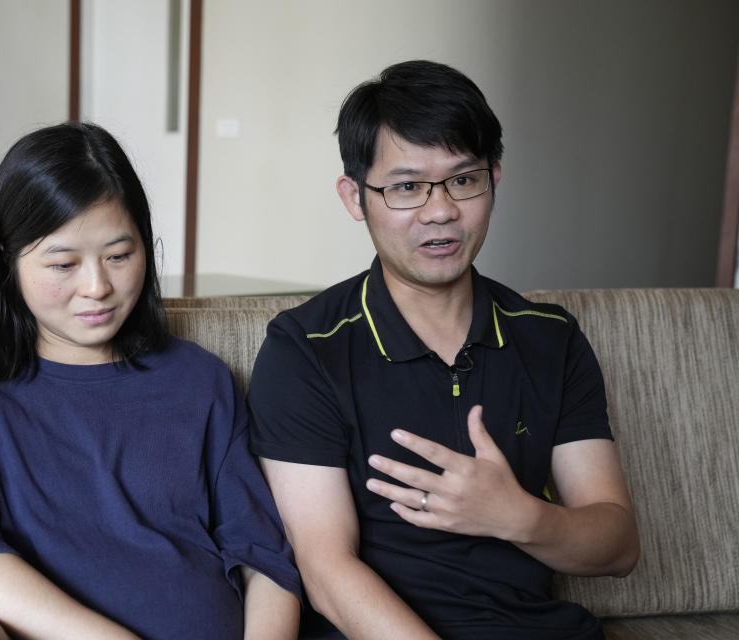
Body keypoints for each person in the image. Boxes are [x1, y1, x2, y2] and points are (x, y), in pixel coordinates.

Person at [248, 60, 639, 640]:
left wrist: (517, 516)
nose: (441, 211)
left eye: (463, 179)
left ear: (494, 176)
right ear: (355, 197)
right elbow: (326, 569)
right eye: (407, 187)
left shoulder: (549, 338)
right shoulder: (306, 347)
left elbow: (617, 545)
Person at [0, 122, 301, 639]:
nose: (97, 287)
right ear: (8, 262)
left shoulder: (200, 379)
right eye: (63, 263)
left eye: (119, 256)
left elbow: (262, 553)